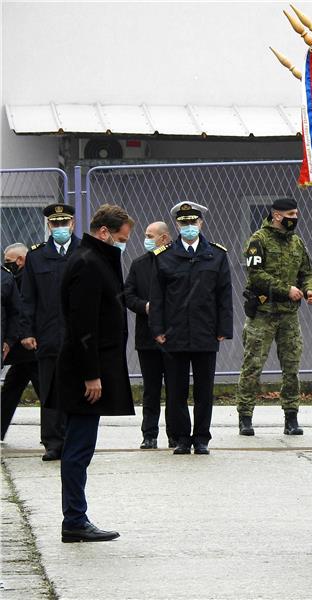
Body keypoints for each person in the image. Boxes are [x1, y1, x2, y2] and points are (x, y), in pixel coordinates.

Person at [56, 204, 135, 543]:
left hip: (89, 369)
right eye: (121, 238)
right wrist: (91, 374)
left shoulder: (96, 258)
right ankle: (74, 519)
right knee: (78, 449)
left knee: (81, 447)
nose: (123, 244)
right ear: (104, 232)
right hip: (83, 373)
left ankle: (76, 517)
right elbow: (82, 325)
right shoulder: (88, 264)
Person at [149, 202, 233, 455]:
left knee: (204, 390)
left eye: (192, 223)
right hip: (174, 333)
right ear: (176, 225)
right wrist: (157, 329)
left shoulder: (216, 255)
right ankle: (182, 438)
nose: (188, 227)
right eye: (183, 223)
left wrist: (223, 328)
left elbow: (224, 295)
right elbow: (158, 297)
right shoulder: (164, 256)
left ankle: (201, 438)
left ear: (201, 224)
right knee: (176, 390)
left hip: (205, 332)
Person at [235, 197, 312, 437]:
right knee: (252, 366)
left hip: (289, 317)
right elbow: (255, 275)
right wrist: (286, 289)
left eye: (297, 214)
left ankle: (291, 417)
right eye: (292, 214)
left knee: (291, 368)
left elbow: (307, 272)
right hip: (263, 315)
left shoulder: (297, 243)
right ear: (277, 215)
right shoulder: (257, 240)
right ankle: (245, 417)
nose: (296, 218)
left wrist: (310, 289)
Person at [19, 203, 79, 461]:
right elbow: (28, 297)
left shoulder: (85, 251)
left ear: (72, 224)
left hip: (79, 337)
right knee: (50, 391)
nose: (60, 228)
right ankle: (53, 442)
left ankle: (76, 440)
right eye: (55, 224)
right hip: (48, 334)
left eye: (64, 223)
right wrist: (26, 331)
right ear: (48, 226)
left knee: (78, 390)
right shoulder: (37, 256)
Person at [123, 221, 173, 449]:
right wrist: (146, 306)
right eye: (146, 235)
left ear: (164, 238)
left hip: (174, 337)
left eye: (150, 235)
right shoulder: (139, 264)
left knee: (175, 389)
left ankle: (177, 434)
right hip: (147, 337)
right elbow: (128, 295)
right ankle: (149, 434)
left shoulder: (176, 260)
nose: (146, 239)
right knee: (151, 389)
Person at [1, 243, 40, 440]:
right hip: (23, 350)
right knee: (11, 388)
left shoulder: (27, 278)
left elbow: (23, 310)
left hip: (29, 346)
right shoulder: (16, 277)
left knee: (43, 390)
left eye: (8, 261)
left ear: (20, 260)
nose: (6, 265)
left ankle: (56, 432)